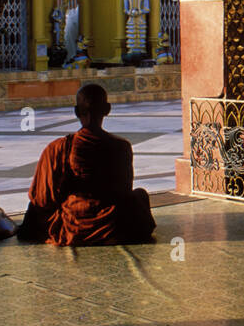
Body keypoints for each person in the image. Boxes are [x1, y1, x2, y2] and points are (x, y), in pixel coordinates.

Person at [18, 84, 156, 246]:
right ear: (107, 109)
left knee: (35, 211)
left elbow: (42, 199)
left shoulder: (59, 148)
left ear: (76, 111)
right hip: (113, 224)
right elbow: (123, 191)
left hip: (73, 223)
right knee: (140, 196)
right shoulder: (122, 147)